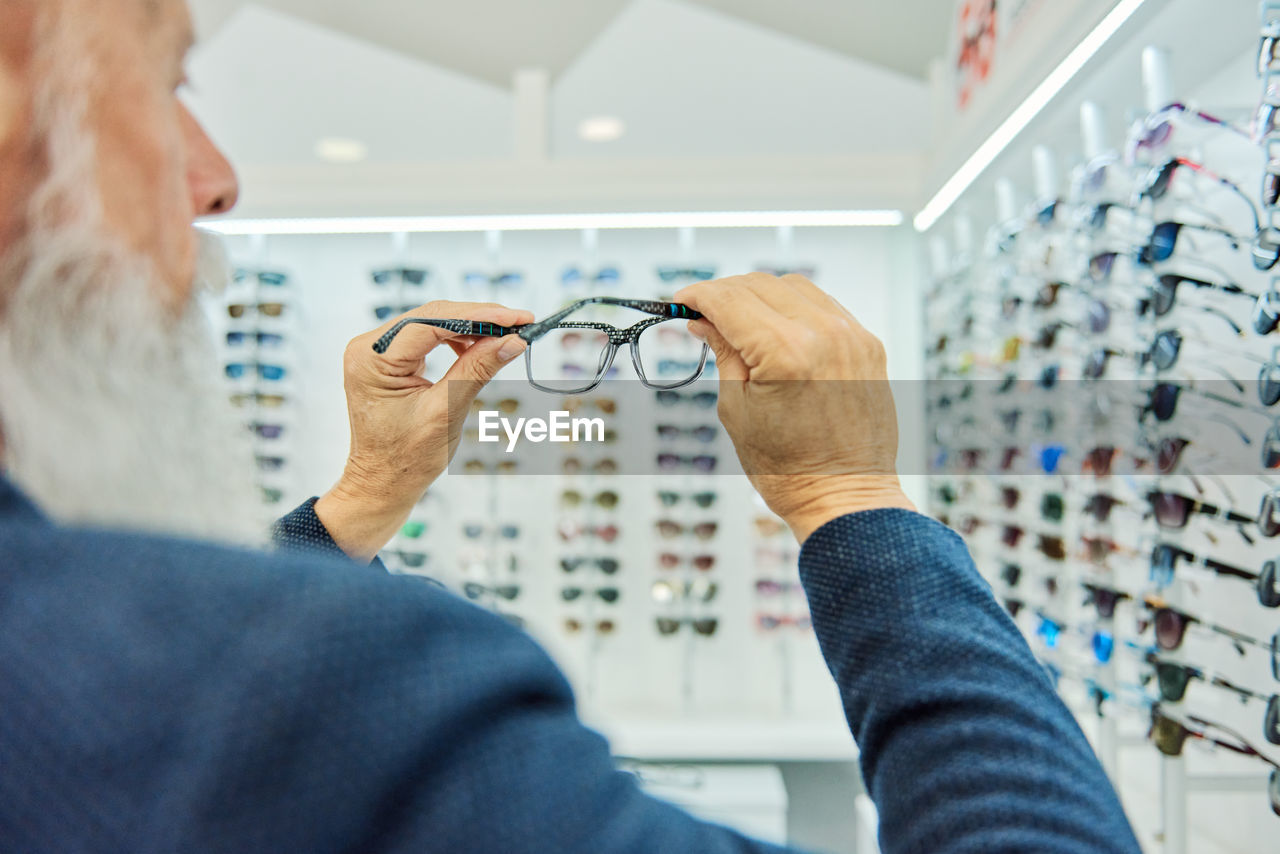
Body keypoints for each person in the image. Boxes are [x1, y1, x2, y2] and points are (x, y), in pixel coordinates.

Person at [0, 1, 1142, 852]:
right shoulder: (308, 687)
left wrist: (351, 510)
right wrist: (850, 497)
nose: (218, 177)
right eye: (167, 82)